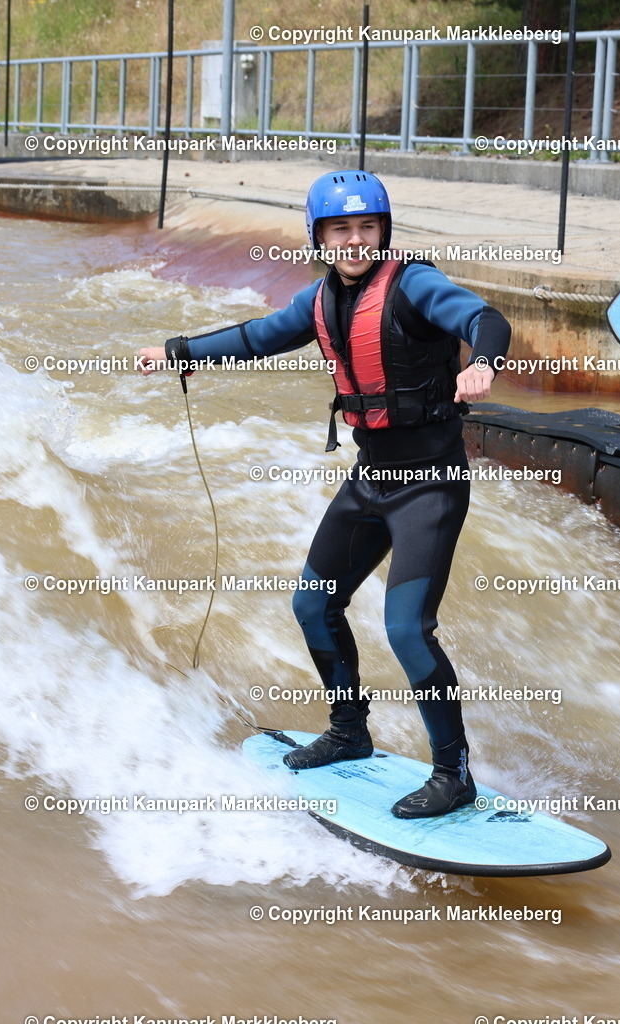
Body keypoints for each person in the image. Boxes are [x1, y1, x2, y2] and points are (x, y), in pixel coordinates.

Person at [138, 169, 511, 819]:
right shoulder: (319, 300)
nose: (355, 240)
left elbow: (484, 318)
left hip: (430, 484)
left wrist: (482, 362)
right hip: (371, 478)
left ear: (383, 231)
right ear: (319, 237)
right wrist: (180, 351)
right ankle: (348, 731)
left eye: (367, 226)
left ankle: (453, 775)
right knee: (313, 604)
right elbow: (257, 337)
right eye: (340, 229)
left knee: (407, 630)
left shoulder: (413, 285)